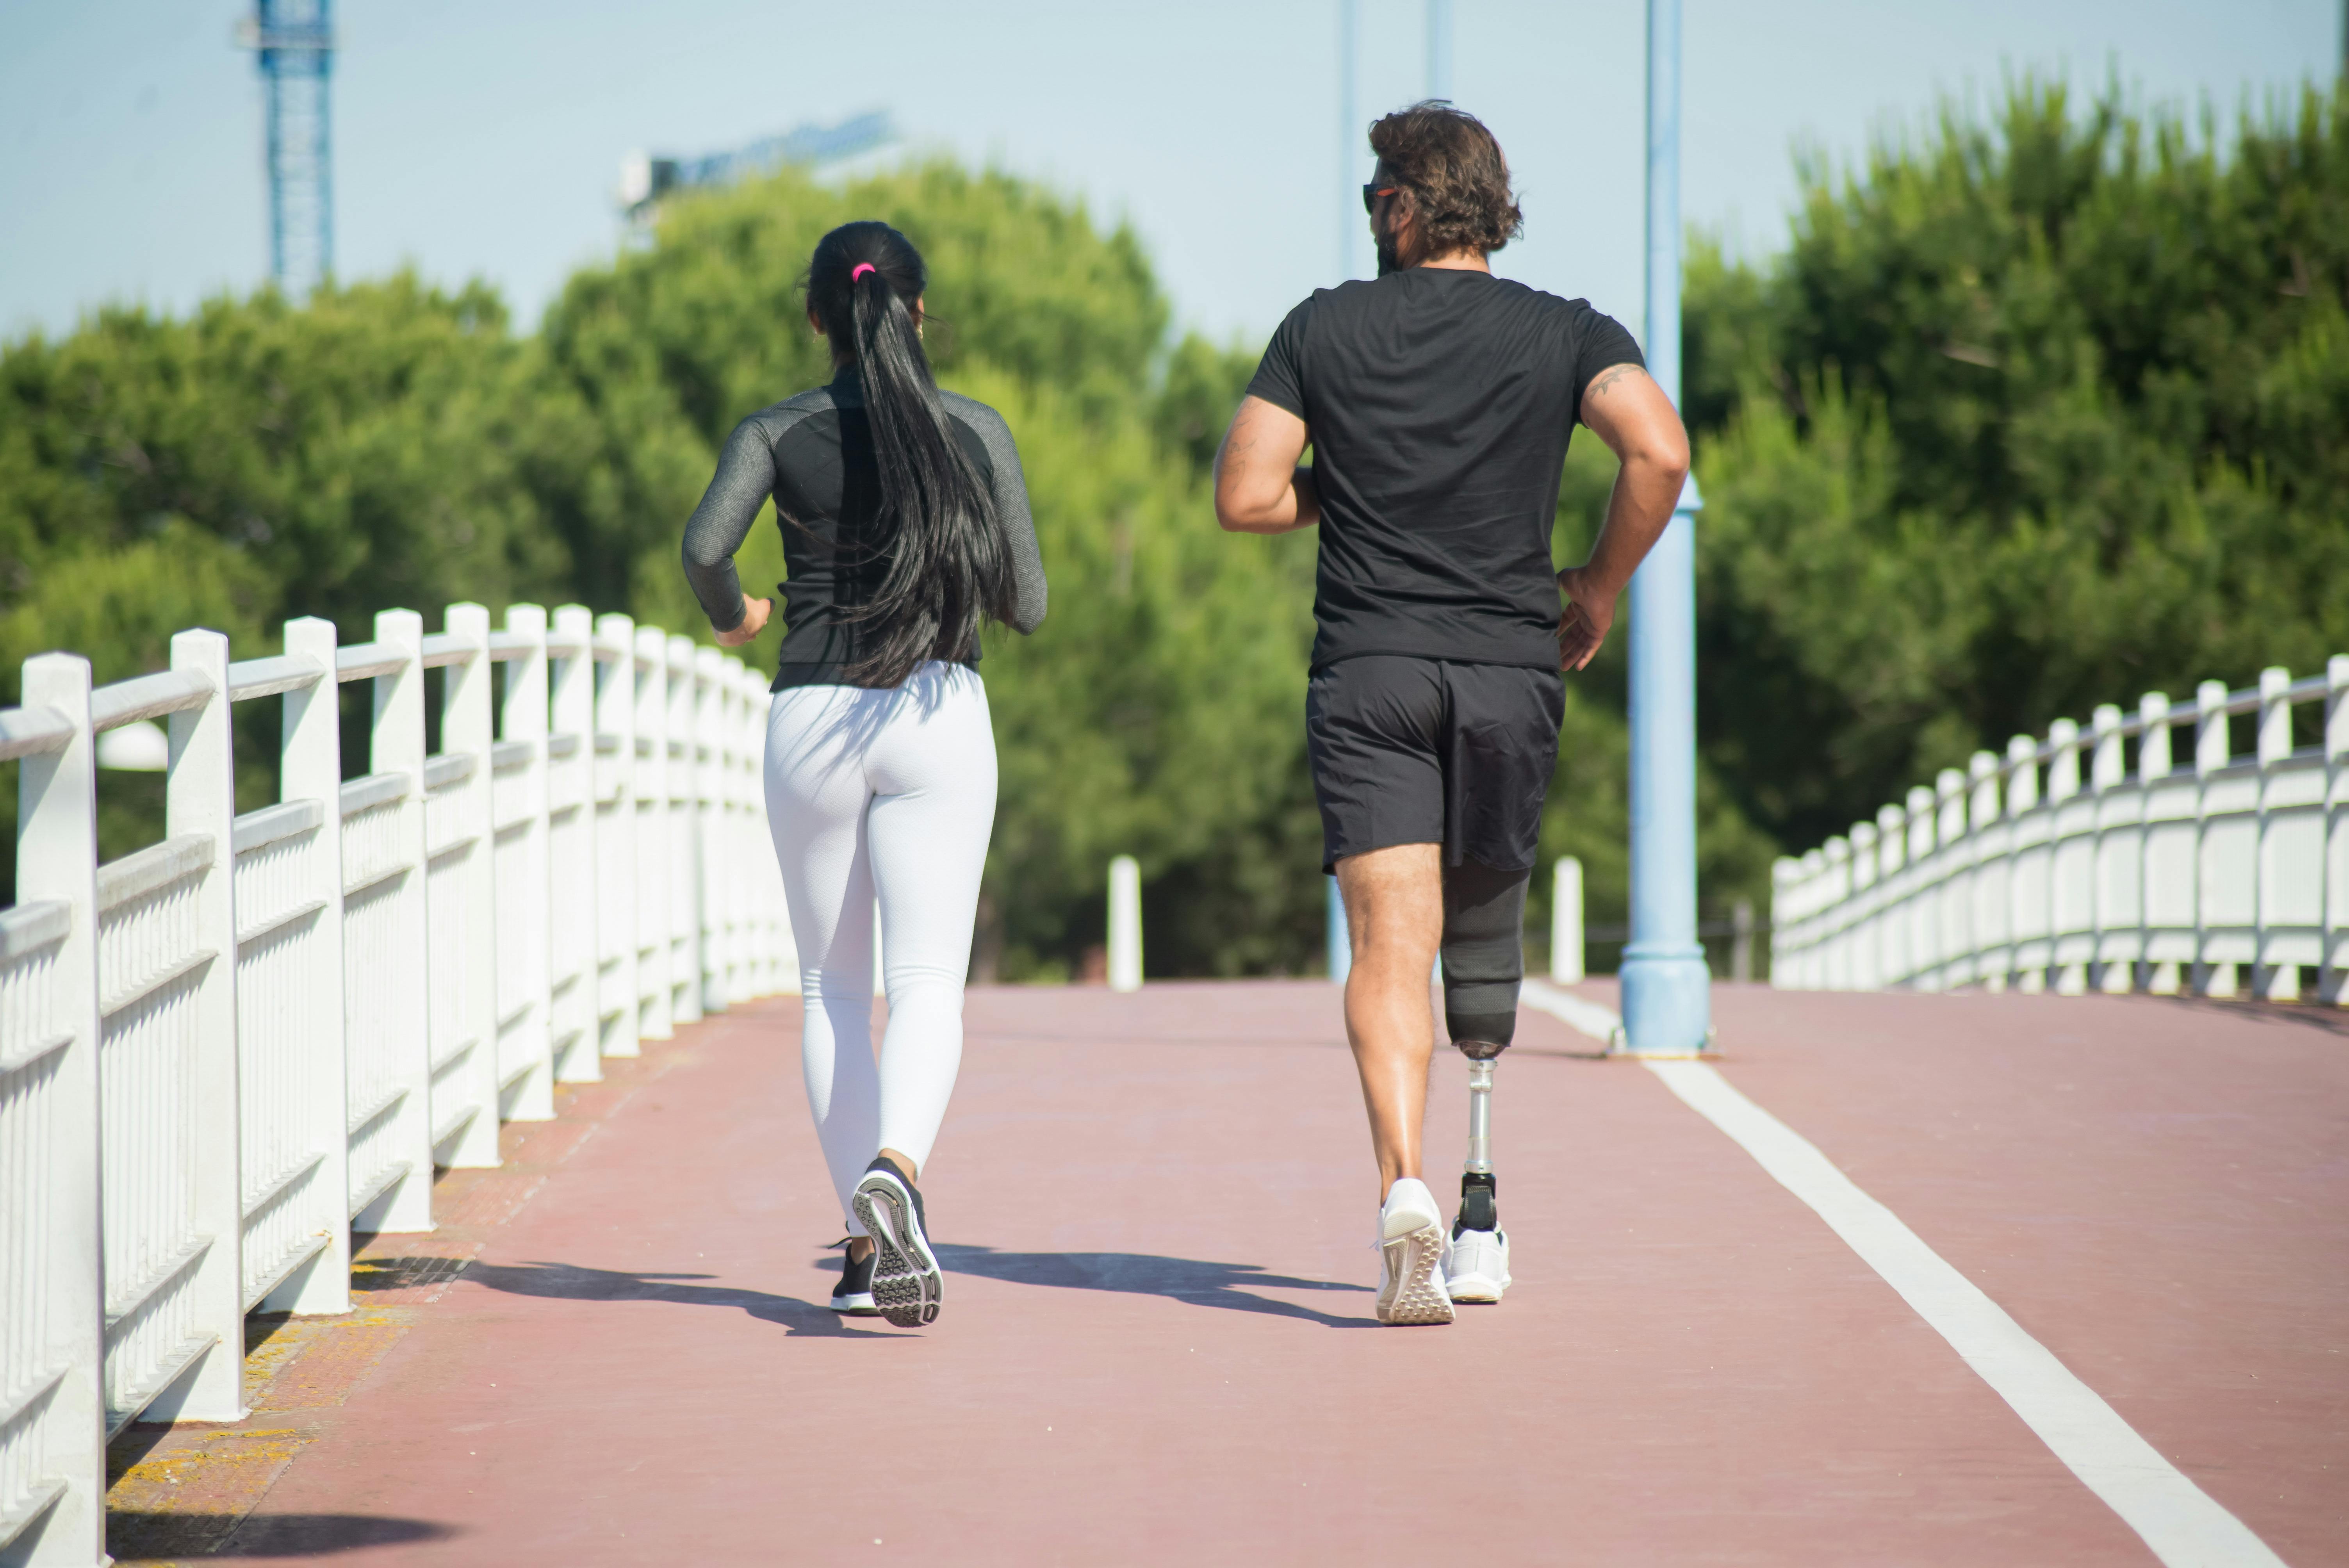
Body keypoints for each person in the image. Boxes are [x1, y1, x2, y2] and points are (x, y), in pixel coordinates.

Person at [1213, 103, 1689, 1326]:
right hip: (1507, 670)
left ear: (1404, 207)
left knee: (1388, 949)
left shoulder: (1321, 328)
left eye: (1377, 193)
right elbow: (1661, 453)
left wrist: (1353, 482)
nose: (1370, 214)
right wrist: (1594, 586)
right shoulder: (1565, 333)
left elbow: (1247, 495)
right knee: (1481, 943)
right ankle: (1481, 1218)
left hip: (1370, 670)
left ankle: (1406, 1191)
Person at [682, 221, 1046, 1327]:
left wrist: (741, 613)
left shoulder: (777, 430)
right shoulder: (973, 431)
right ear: (919, 311)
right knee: (925, 983)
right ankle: (901, 1170)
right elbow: (1027, 605)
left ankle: (859, 1240)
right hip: (938, 708)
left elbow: (706, 548)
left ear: (817, 318)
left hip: (811, 715)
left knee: (830, 989)